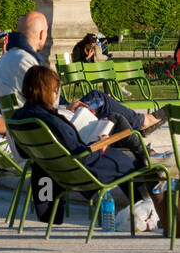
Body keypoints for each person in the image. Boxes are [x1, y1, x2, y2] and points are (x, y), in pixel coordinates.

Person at [13, 65, 172, 231]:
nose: (56, 95)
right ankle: (153, 213)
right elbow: (84, 157)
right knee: (138, 163)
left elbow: (23, 152)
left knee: (120, 134)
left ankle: (146, 207)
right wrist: (101, 144)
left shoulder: (20, 117)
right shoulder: (51, 120)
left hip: (57, 171)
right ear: (46, 91)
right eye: (55, 90)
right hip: (84, 169)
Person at [0, 11, 166, 162]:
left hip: (30, 132)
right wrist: (66, 108)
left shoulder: (8, 58)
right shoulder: (26, 61)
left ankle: (143, 137)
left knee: (100, 105)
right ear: (41, 34)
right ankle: (145, 144)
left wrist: (66, 107)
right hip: (43, 136)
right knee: (110, 114)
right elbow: (45, 106)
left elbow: (38, 103)